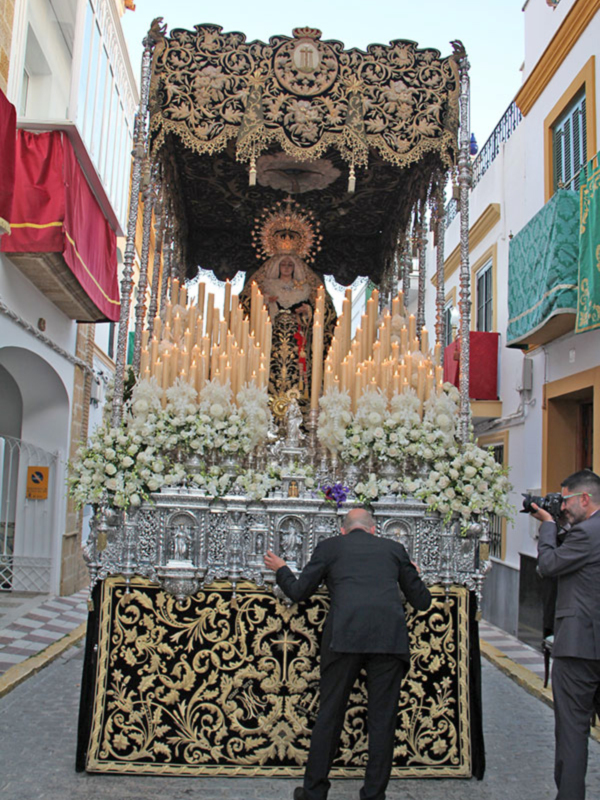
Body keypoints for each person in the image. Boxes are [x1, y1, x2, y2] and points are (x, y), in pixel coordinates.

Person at [263, 507, 431, 800]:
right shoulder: (394, 549)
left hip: (344, 638)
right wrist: (415, 575)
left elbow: (300, 591)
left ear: (343, 530)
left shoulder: (330, 547)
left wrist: (281, 569)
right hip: (388, 641)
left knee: (329, 715)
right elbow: (421, 601)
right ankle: (374, 794)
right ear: (373, 529)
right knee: (382, 721)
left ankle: (314, 792)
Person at [532, 469, 600, 800]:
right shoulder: (583, 531)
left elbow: (548, 565)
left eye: (567, 500)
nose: (563, 507)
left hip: (579, 647)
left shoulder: (587, 533)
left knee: (573, 731)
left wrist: (546, 525)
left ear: (585, 498)